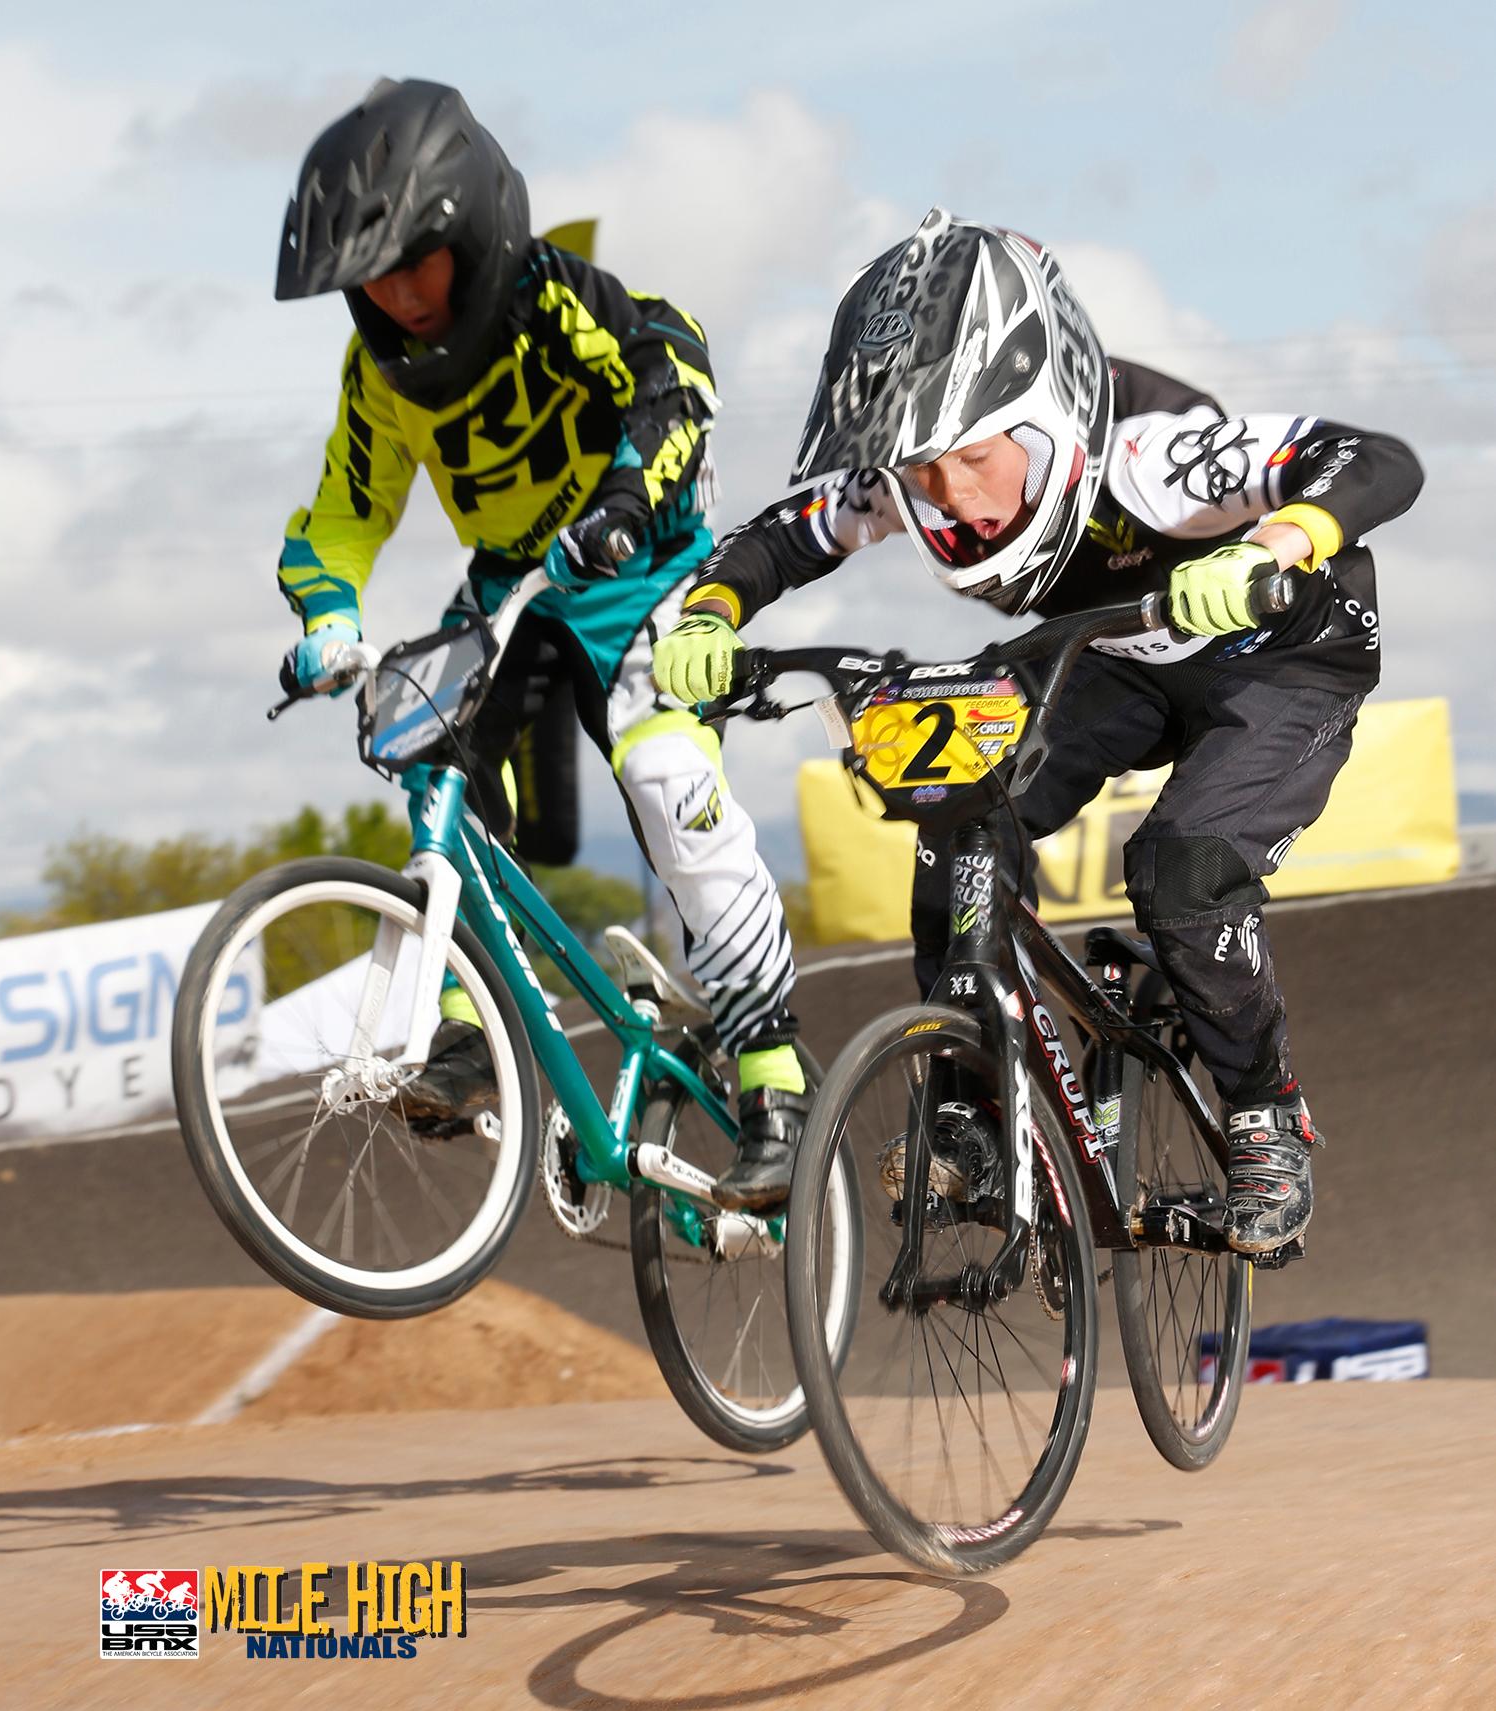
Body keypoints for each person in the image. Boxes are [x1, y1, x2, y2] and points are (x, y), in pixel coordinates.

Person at [654, 207, 1423, 1254]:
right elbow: (786, 536)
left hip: (1279, 654)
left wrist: (1273, 544)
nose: (952, 496)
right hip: (1117, 655)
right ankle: (971, 1115)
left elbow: (1372, 456)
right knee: (957, 816)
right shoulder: (918, 472)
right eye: (923, 474)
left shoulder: (1153, 455)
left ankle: (1266, 1117)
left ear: (1043, 410)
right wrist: (710, 614)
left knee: (1183, 869)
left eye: (970, 458)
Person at [272, 78, 806, 1210]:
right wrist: (328, 616)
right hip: (515, 585)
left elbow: (676, 366)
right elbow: (345, 510)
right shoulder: (376, 377)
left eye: (416, 264)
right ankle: (471, 1033)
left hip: (645, 572)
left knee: (667, 779)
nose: (397, 296)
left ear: (473, 234)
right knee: (438, 766)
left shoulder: (552, 298)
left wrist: (627, 496)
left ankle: (775, 1077)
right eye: (372, 277)